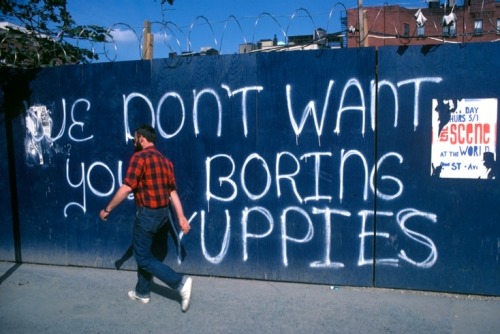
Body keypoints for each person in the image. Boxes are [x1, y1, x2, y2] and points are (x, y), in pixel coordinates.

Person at [99, 124, 192, 312]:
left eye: (135, 138)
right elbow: (172, 192)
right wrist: (181, 217)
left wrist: (107, 209)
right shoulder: (166, 161)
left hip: (147, 215)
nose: (134, 141)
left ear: (141, 138)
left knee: (142, 257)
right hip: (163, 216)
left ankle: (180, 283)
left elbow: (126, 188)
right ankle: (142, 292)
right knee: (146, 253)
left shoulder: (139, 158)